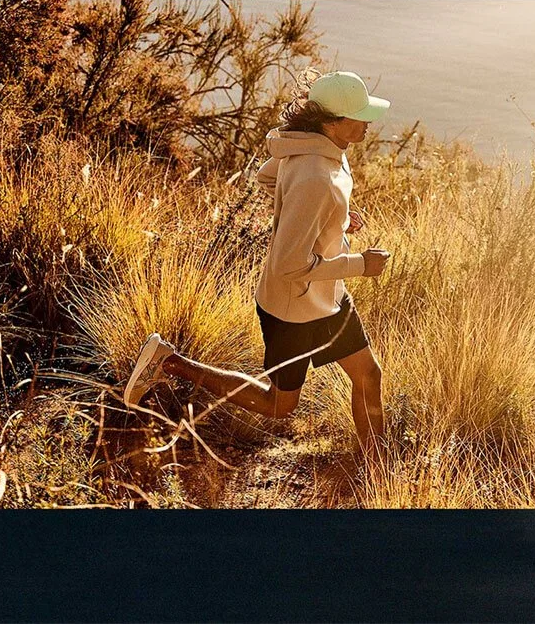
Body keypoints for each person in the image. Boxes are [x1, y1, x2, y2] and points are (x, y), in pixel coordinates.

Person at [123, 69, 393, 460]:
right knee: (278, 405)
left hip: (326, 297)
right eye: (360, 115)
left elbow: (269, 178)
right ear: (332, 122)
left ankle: (376, 468)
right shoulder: (316, 176)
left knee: (368, 374)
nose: (368, 122)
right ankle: (170, 362)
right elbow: (288, 265)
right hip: (293, 310)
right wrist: (360, 265)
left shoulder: (320, 149)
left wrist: (332, 218)